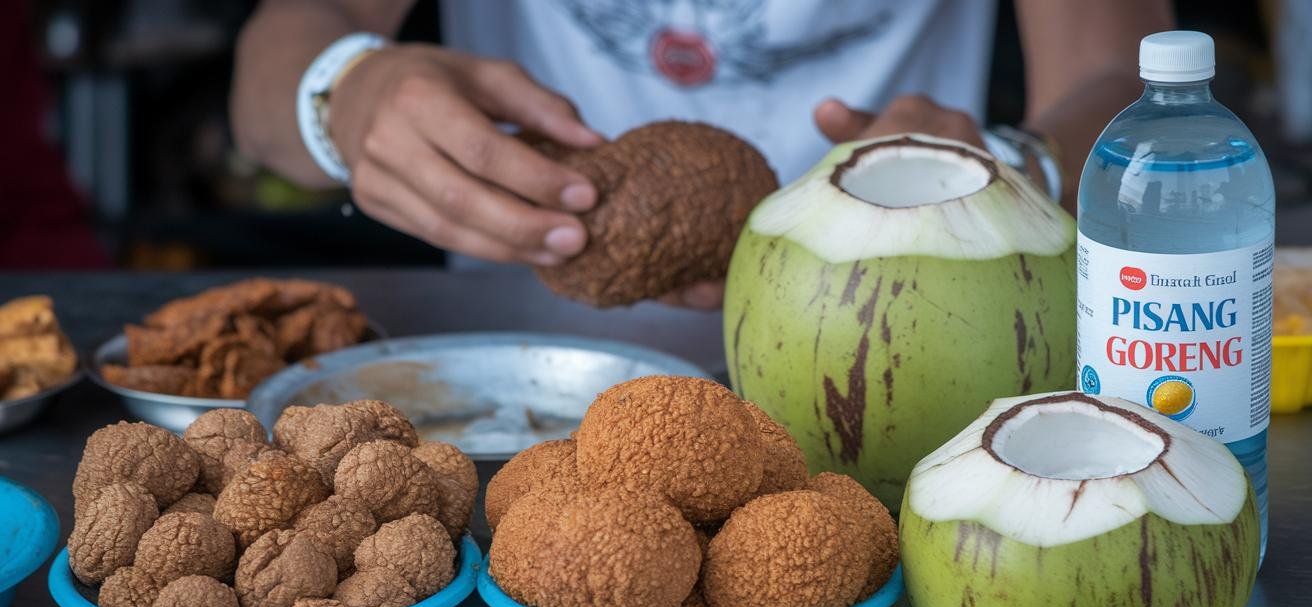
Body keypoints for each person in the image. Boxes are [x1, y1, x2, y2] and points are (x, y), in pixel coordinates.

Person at [231, 0, 1171, 308]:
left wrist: (1017, 166)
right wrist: (344, 92)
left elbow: (1128, 76)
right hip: (507, 379)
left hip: (902, 324)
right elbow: (263, 89)